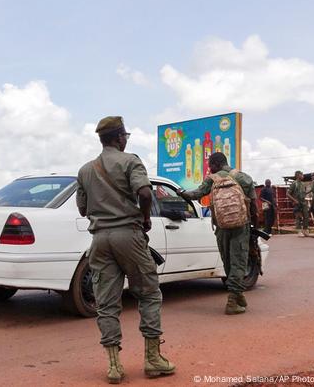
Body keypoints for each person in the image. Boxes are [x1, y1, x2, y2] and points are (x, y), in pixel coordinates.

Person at [77, 116, 175, 384]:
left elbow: (82, 208)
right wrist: (144, 219)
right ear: (119, 138)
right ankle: (153, 359)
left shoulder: (85, 170)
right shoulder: (130, 160)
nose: (126, 140)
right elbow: (145, 193)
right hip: (128, 236)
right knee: (149, 293)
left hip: (99, 240)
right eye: (125, 136)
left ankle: (114, 366)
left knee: (106, 302)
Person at [178, 152, 258, 315]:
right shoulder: (243, 178)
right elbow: (254, 206)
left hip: (221, 226)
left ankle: (236, 296)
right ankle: (233, 300)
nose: (209, 168)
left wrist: (181, 193)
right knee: (239, 262)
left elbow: (195, 195)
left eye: (210, 165)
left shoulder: (212, 179)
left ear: (215, 164)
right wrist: (254, 228)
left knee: (227, 261)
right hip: (241, 226)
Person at [287, 170, 309, 237]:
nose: (303, 176)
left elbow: (304, 193)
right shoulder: (294, 183)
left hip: (303, 202)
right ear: (298, 175)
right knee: (298, 217)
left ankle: (305, 230)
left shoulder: (303, 184)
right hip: (297, 203)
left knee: (306, 216)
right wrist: (294, 200)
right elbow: (287, 194)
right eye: (301, 174)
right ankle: (299, 231)